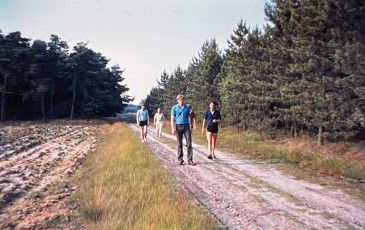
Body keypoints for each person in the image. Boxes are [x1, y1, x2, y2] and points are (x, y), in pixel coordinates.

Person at [171, 94, 196, 165]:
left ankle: (190, 159)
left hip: (186, 126)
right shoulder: (174, 107)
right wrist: (173, 128)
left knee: (189, 143)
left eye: (182, 99)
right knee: (179, 144)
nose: (181, 101)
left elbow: (189, 117)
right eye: (179, 100)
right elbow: (172, 118)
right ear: (177, 100)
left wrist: (190, 126)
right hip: (178, 126)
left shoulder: (187, 107)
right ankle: (180, 159)